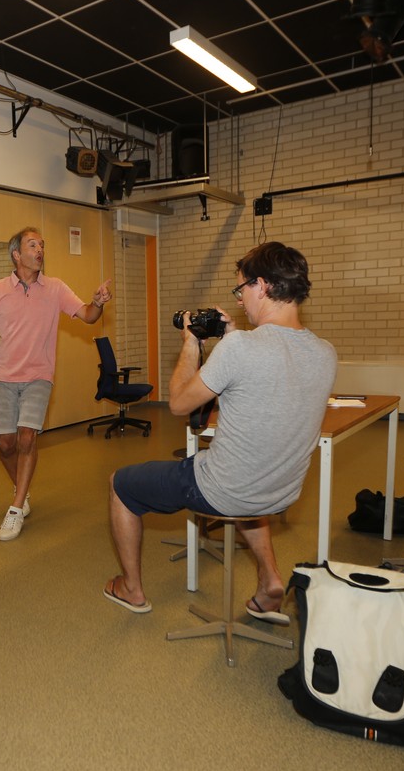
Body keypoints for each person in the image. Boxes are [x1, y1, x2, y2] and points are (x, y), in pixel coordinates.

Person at [101, 242, 336, 615]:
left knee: (120, 483)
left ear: (262, 285)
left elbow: (179, 403)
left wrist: (191, 344)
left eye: (241, 288)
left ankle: (131, 589)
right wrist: (232, 340)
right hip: (280, 492)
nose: (240, 300)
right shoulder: (325, 352)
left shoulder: (241, 347)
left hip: (225, 490)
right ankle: (270, 579)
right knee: (247, 477)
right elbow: (264, 388)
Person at [0, 227, 112, 541]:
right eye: (33, 245)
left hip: (38, 377)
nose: (40, 250)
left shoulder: (55, 288)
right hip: (5, 378)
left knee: (27, 438)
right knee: (6, 445)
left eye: (42, 245)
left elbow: (88, 315)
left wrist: (98, 302)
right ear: (17, 254)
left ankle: (16, 508)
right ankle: (22, 489)